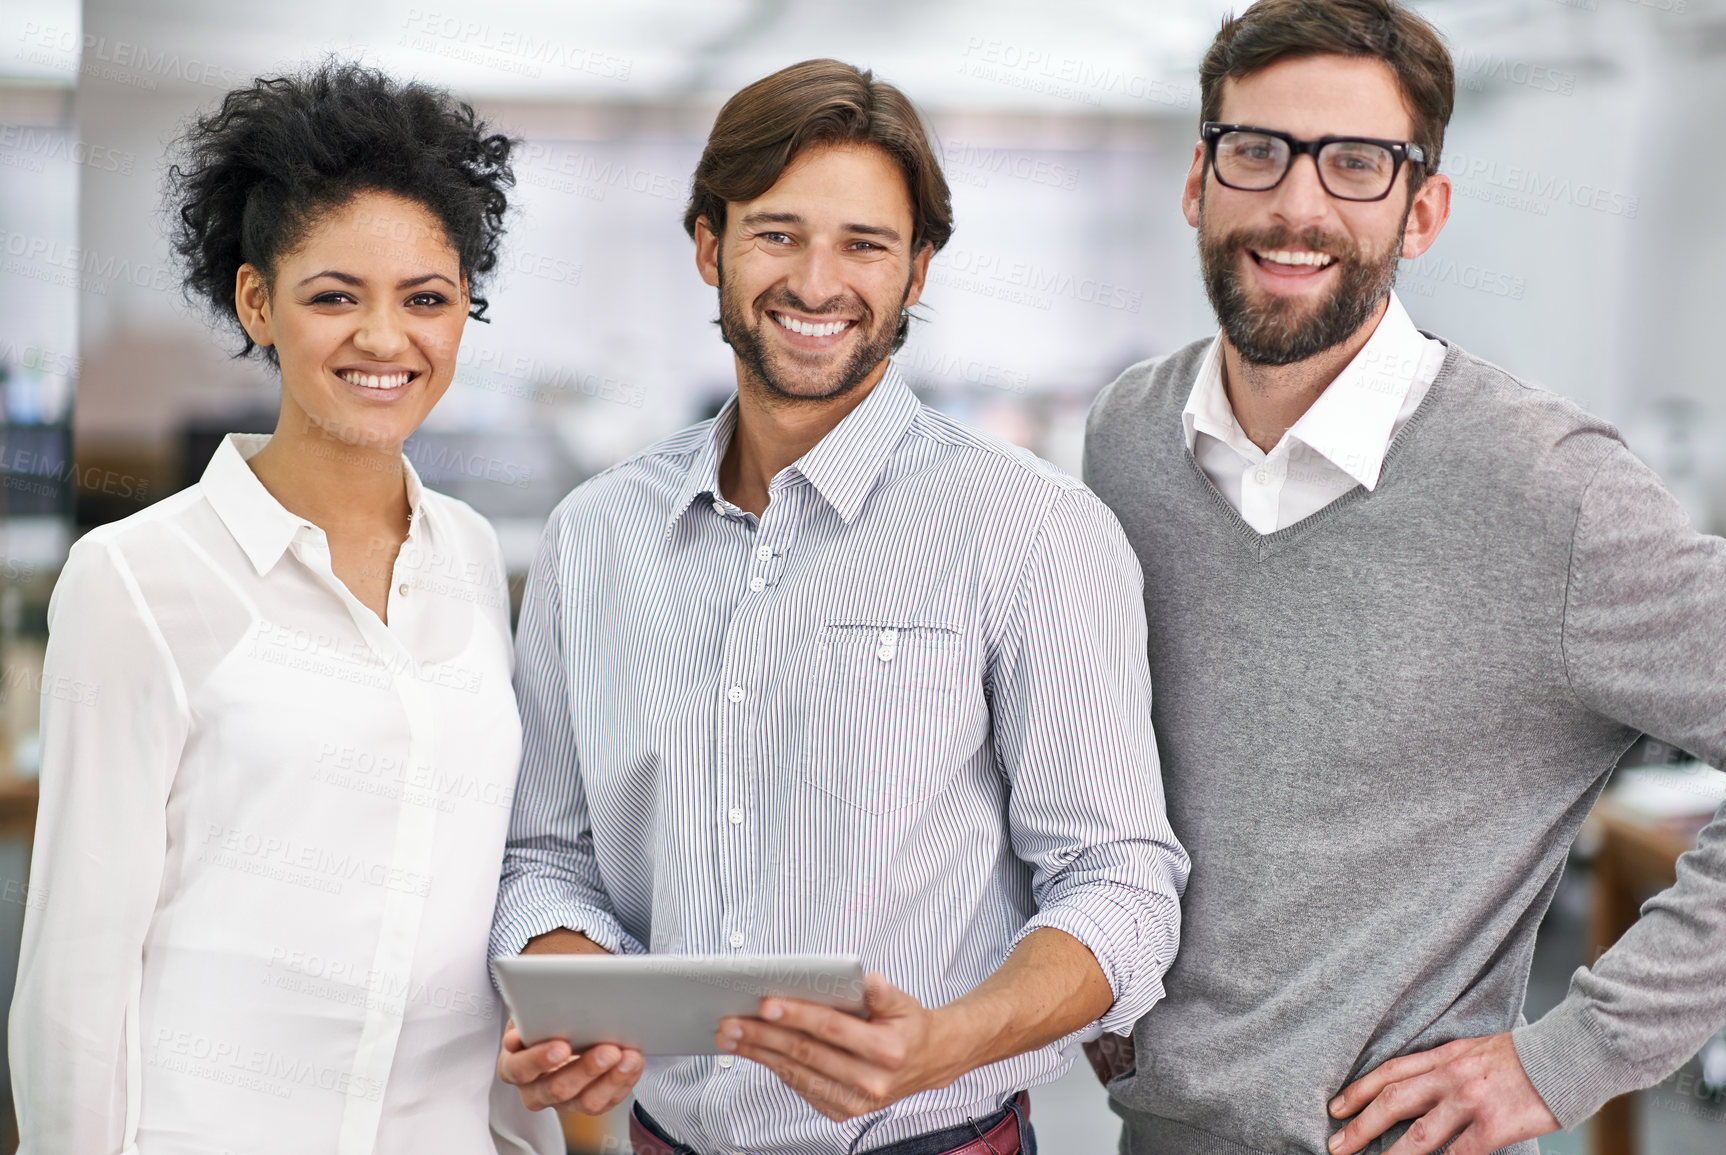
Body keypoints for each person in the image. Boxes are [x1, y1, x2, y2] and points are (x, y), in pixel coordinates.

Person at [489, 58, 1189, 1154]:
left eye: (865, 243)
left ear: (917, 271)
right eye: (777, 233)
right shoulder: (594, 538)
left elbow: (1121, 884)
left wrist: (951, 1038)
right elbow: (546, 854)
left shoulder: (1031, 529)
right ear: (709, 246)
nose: (818, 282)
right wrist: (579, 997)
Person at [1081, 2, 1726, 1154]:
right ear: (1199, 178)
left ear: (1421, 209)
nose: (1296, 204)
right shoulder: (1128, 436)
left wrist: (1569, 1056)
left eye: (1356, 164)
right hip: (1154, 1132)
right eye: (1257, 150)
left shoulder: (1551, 489)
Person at [9, 62, 560, 1155]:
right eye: (334, 295)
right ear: (257, 300)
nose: (386, 340)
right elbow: (77, 973)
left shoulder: (467, 556)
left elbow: (477, 897)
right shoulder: (136, 581)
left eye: (428, 299)